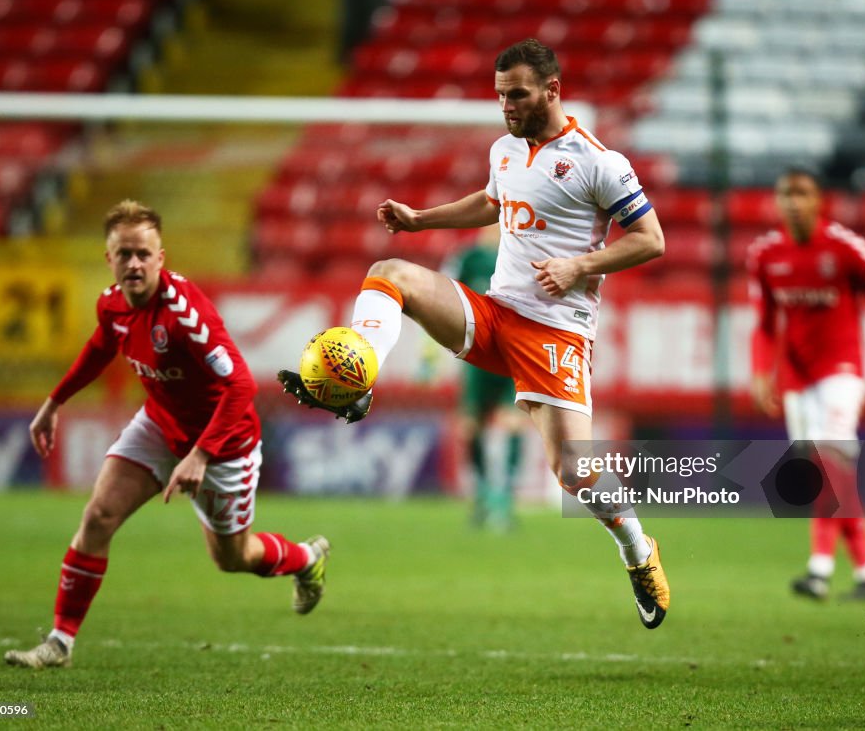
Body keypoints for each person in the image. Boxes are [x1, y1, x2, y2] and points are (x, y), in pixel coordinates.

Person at [279, 39, 670, 628]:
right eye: (500, 96)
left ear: (552, 90)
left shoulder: (599, 162)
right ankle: (359, 377)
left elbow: (651, 239)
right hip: (493, 315)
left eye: (517, 95)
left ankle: (638, 551)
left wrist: (579, 266)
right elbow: (493, 202)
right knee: (388, 274)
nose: (507, 106)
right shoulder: (505, 149)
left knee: (573, 472)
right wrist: (420, 218)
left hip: (555, 334)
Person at [5, 200, 330, 669]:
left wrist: (201, 455)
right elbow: (102, 345)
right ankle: (60, 642)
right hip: (160, 425)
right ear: (109, 258)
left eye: (142, 254)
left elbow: (240, 385)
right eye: (124, 254)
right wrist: (55, 401)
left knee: (232, 557)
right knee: (98, 516)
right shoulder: (111, 303)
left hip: (225, 445)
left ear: (161, 258)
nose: (133, 263)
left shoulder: (184, 315)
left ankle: (303, 558)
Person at [747, 167, 865, 601]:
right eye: (786, 193)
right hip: (797, 379)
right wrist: (760, 371)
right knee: (824, 475)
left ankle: (820, 569)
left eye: (801, 193)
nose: (793, 202)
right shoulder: (766, 255)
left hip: (841, 371)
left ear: (819, 200)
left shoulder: (846, 248)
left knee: (829, 460)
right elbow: (765, 324)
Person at [443, 227, 525, 531]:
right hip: (476, 358)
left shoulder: (521, 254)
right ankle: (480, 493)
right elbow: (443, 299)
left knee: (511, 423)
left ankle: (504, 500)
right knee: (469, 427)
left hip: (512, 356)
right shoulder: (466, 258)